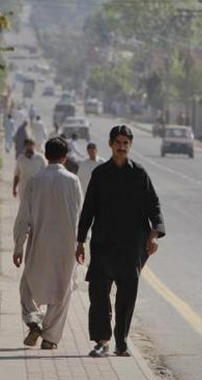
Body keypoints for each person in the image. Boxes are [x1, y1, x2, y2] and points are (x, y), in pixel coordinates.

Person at [76, 125, 165, 358]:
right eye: (118, 142)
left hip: (131, 247)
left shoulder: (139, 174)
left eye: (126, 143)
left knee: (127, 296)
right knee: (98, 294)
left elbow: (153, 205)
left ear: (130, 146)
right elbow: (88, 209)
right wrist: (80, 240)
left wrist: (154, 235)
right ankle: (101, 341)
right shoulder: (100, 174)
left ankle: (121, 342)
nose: (121, 147)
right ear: (110, 144)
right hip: (103, 244)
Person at [13, 137, 82, 350]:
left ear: (46, 153)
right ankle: (50, 338)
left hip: (39, 244)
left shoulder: (35, 180)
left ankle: (33, 321)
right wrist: (82, 244)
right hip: (66, 246)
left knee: (27, 286)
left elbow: (23, 217)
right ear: (64, 157)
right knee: (62, 290)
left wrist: (18, 247)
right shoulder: (72, 181)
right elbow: (80, 214)